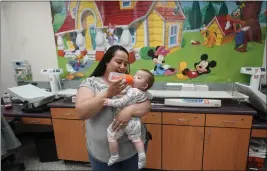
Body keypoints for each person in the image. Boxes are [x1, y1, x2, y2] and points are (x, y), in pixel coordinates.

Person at [75, 45, 152, 171]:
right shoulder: (91, 83)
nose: (122, 67)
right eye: (118, 62)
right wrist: (107, 93)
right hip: (102, 154)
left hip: (131, 150)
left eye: (126, 64)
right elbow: (81, 113)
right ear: (106, 61)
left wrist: (129, 111)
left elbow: (146, 104)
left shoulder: (130, 82)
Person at [103, 69, 155, 169]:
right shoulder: (144, 92)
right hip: (135, 121)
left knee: (111, 134)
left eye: (138, 78)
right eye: (135, 75)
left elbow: (121, 103)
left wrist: (109, 102)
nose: (134, 77)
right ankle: (141, 154)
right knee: (136, 139)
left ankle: (114, 155)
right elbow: (150, 96)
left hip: (123, 122)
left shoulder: (132, 91)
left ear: (144, 86)